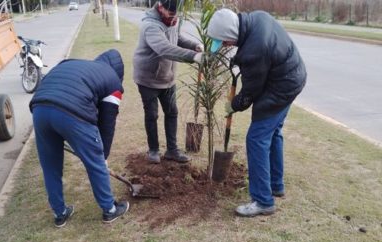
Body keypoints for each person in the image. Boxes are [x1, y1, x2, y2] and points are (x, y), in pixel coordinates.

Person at [207, 9, 307, 217]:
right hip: (293, 76)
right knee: (273, 133)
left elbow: (251, 92)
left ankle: (263, 200)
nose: (226, 47)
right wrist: (238, 61)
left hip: (280, 87)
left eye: (225, 42)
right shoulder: (255, 19)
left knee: (256, 138)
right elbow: (255, 55)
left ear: (231, 33)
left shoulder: (255, 50)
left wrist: (234, 105)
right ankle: (275, 184)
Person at [29, 49, 129, 227]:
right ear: (119, 72)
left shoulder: (72, 63)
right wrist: (102, 155)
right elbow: (107, 123)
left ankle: (60, 213)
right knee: (95, 163)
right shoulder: (113, 82)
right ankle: (110, 209)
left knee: (50, 165)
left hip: (39, 109)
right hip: (71, 112)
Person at [133, 0, 203, 164]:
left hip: (168, 78)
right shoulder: (150, 25)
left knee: (172, 112)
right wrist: (193, 56)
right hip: (148, 79)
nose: (174, 18)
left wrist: (195, 46)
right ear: (160, 7)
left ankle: (172, 150)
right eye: (171, 14)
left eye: (176, 14)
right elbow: (164, 48)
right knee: (152, 115)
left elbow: (176, 38)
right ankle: (154, 150)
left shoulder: (172, 21)